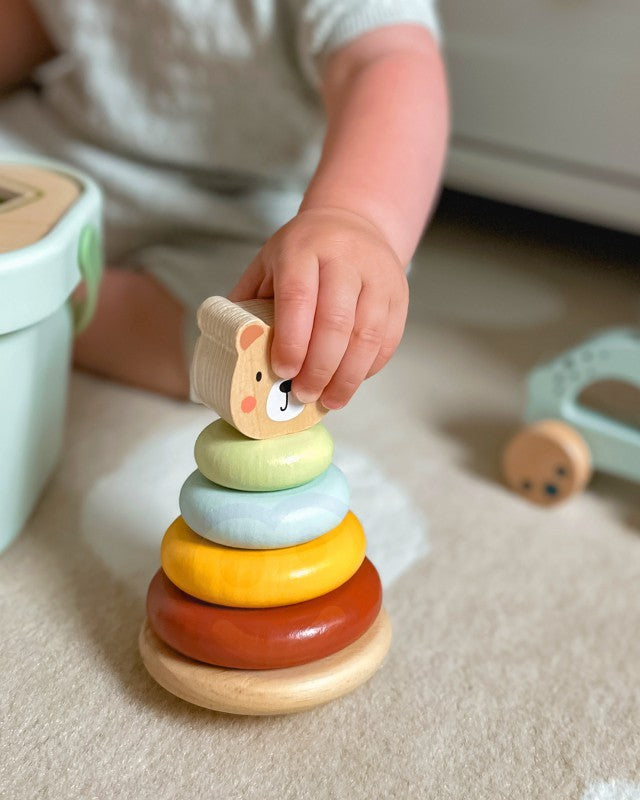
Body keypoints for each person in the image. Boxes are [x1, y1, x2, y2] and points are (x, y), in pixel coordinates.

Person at [1, 0, 448, 405]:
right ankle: (31, 289)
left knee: (259, 341)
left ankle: (50, 305)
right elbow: (37, 21)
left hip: (254, 206)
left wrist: (353, 218)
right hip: (69, 152)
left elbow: (385, 60)